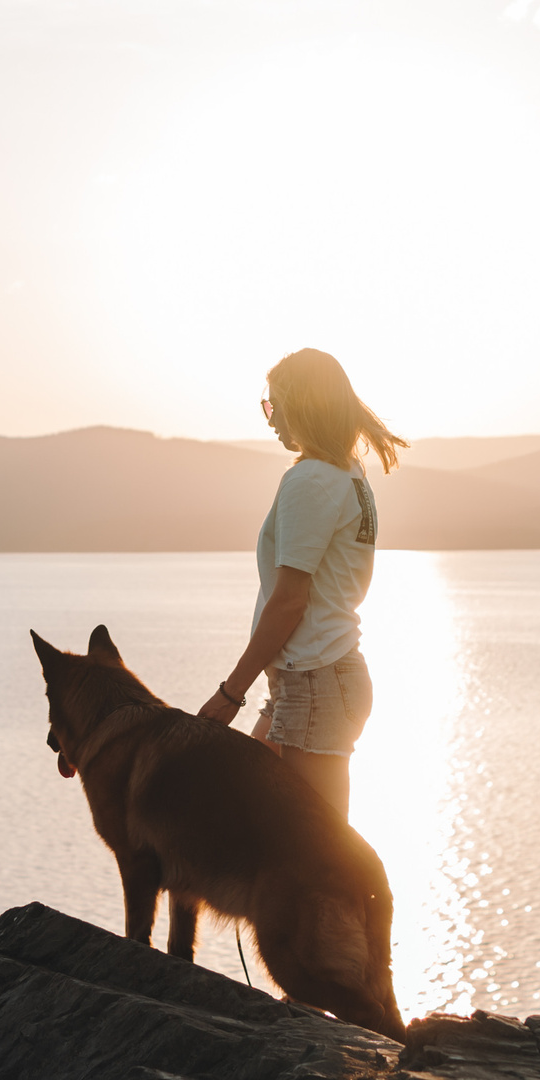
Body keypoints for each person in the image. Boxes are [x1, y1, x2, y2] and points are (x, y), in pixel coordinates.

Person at [196, 348, 406, 819]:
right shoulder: (348, 475)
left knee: (319, 858)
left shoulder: (310, 481)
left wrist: (231, 693)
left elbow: (290, 602)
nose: (270, 421)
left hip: (315, 682)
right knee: (243, 811)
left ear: (303, 405)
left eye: (275, 406)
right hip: (313, 680)